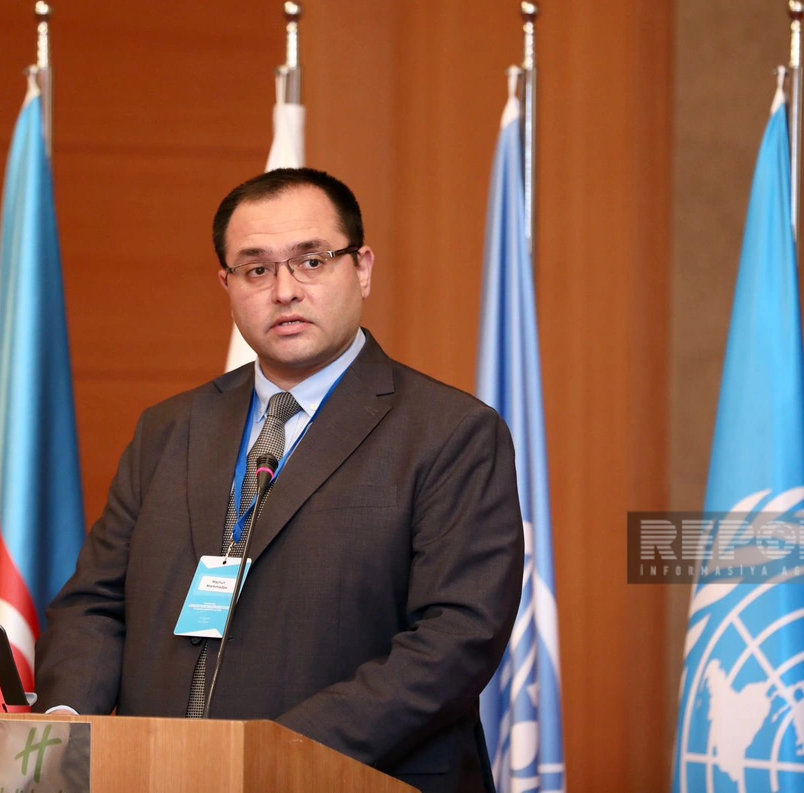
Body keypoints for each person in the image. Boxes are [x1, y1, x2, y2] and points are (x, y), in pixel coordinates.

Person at [33, 168, 524, 793]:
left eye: (312, 261)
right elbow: (94, 603)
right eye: (256, 269)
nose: (285, 290)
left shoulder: (450, 431)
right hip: (161, 775)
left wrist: (273, 757)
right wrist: (65, 724)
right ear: (228, 285)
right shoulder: (169, 428)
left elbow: (457, 637)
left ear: (362, 268)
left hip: (348, 779)